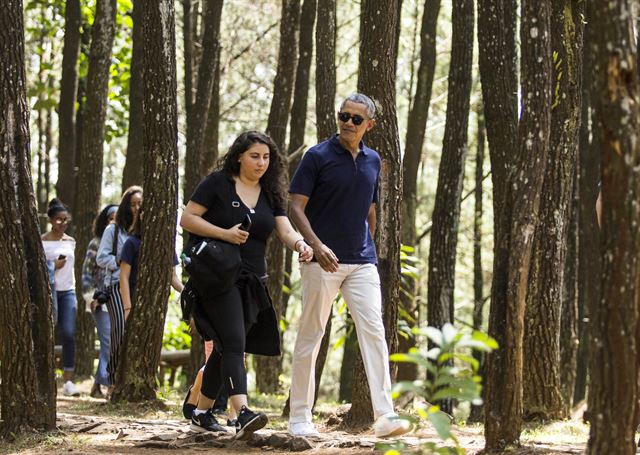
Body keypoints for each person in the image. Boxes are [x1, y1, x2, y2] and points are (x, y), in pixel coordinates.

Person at [287, 93, 411, 438]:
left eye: (357, 118)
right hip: (320, 262)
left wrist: (366, 242)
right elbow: (295, 206)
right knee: (311, 336)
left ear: (369, 125)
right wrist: (316, 245)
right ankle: (299, 419)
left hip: (361, 263)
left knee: (374, 331)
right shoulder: (317, 156)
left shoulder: (373, 160)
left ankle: (385, 416)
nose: (348, 122)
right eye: (344, 115)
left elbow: (370, 208)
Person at [180, 130, 313, 438]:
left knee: (225, 347)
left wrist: (301, 245)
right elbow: (187, 218)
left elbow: (284, 229)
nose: (261, 163)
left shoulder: (270, 193)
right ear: (239, 156)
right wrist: (224, 233)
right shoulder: (217, 183)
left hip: (253, 280)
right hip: (217, 277)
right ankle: (241, 412)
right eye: (254, 156)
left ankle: (201, 413)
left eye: (266, 157)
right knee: (235, 343)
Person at [96, 186, 142, 397]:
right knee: (120, 332)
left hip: (139, 287)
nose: (136, 208)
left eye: (139, 204)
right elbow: (101, 258)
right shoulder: (113, 230)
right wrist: (121, 261)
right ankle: (112, 381)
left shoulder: (146, 230)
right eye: (132, 204)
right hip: (115, 284)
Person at [42, 198, 80, 397]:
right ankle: (46, 376)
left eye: (65, 220)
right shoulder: (42, 241)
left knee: (68, 332)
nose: (62, 223)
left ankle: (68, 379)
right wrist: (52, 266)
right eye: (58, 219)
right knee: (48, 332)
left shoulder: (71, 241)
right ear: (50, 220)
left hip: (68, 292)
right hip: (48, 292)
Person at [119, 208, 184, 317]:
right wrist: (127, 308)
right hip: (134, 301)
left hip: (157, 303)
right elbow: (123, 276)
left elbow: (172, 277)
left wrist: (184, 291)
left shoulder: (167, 244)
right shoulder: (131, 243)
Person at [81, 204, 118, 398]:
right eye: (111, 217)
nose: (114, 221)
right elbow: (86, 273)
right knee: (108, 341)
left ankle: (97, 385)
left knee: (112, 341)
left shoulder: (122, 243)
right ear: (105, 220)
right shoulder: (96, 243)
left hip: (118, 298)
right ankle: (110, 383)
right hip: (99, 300)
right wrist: (90, 297)